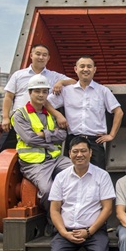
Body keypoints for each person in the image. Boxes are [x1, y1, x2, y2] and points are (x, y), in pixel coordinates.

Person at [11, 74, 72, 218]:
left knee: (79, 172)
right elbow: (30, 139)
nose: (41, 95)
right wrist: (51, 138)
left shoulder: (51, 114)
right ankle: (53, 221)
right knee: (48, 191)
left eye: (44, 91)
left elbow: (62, 136)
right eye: (37, 91)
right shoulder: (20, 115)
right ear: (30, 93)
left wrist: (43, 134)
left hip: (55, 159)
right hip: (33, 164)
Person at [48, 55, 123, 170]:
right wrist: (58, 115)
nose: (86, 69)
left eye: (89, 66)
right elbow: (45, 103)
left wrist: (111, 135)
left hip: (95, 141)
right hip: (73, 140)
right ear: (76, 69)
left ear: (94, 69)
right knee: (72, 175)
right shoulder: (67, 90)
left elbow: (119, 112)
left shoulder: (102, 91)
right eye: (82, 66)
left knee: (98, 175)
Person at [0, 44, 75, 151]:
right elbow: (8, 97)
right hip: (19, 119)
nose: (41, 57)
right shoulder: (18, 75)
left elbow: (74, 82)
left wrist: (61, 82)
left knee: (40, 150)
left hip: (41, 121)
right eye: (38, 54)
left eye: (44, 55)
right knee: (5, 151)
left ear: (48, 58)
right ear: (31, 55)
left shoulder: (53, 76)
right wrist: (5, 117)